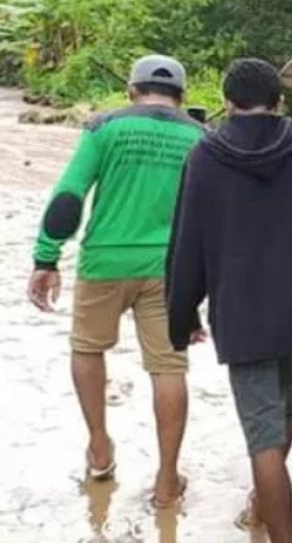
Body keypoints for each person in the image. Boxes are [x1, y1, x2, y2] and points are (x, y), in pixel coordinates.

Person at [167, 57, 292, 542]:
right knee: (282, 422)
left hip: (245, 317)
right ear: (278, 100)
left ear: (227, 101)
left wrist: (182, 315)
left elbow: (187, 242)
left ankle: (277, 529)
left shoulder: (206, 155)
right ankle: (260, 510)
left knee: (263, 438)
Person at [27, 54, 204, 507]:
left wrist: (46, 258)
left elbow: (69, 196)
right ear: (181, 97)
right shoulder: (200, 138)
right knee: (169, 369)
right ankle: (167, 481)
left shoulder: (104, 129)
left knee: (87, 349)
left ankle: (100, 449)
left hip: (104, 263)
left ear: (132, 90)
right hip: (169, 269)